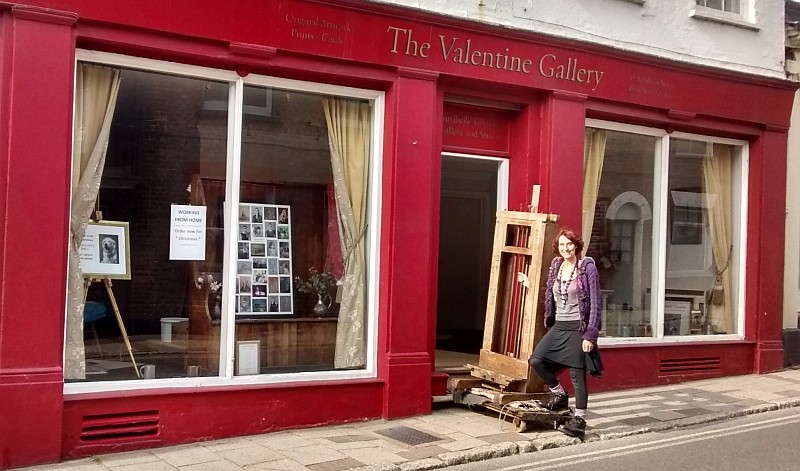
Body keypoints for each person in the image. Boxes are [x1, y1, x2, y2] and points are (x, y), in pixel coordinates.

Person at [529, 228, 602, 438]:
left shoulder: (586, 267)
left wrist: (590, 334)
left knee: (576, 374)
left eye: (569, 244)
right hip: (559, 326)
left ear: (576, 246)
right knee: (536, 360)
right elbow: (550, 292)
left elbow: (596, 303)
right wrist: (529, 284)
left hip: (578, 327)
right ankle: (559, 395)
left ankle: (579, 420)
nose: (565, 248)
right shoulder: (556, 266)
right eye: (561, 245)